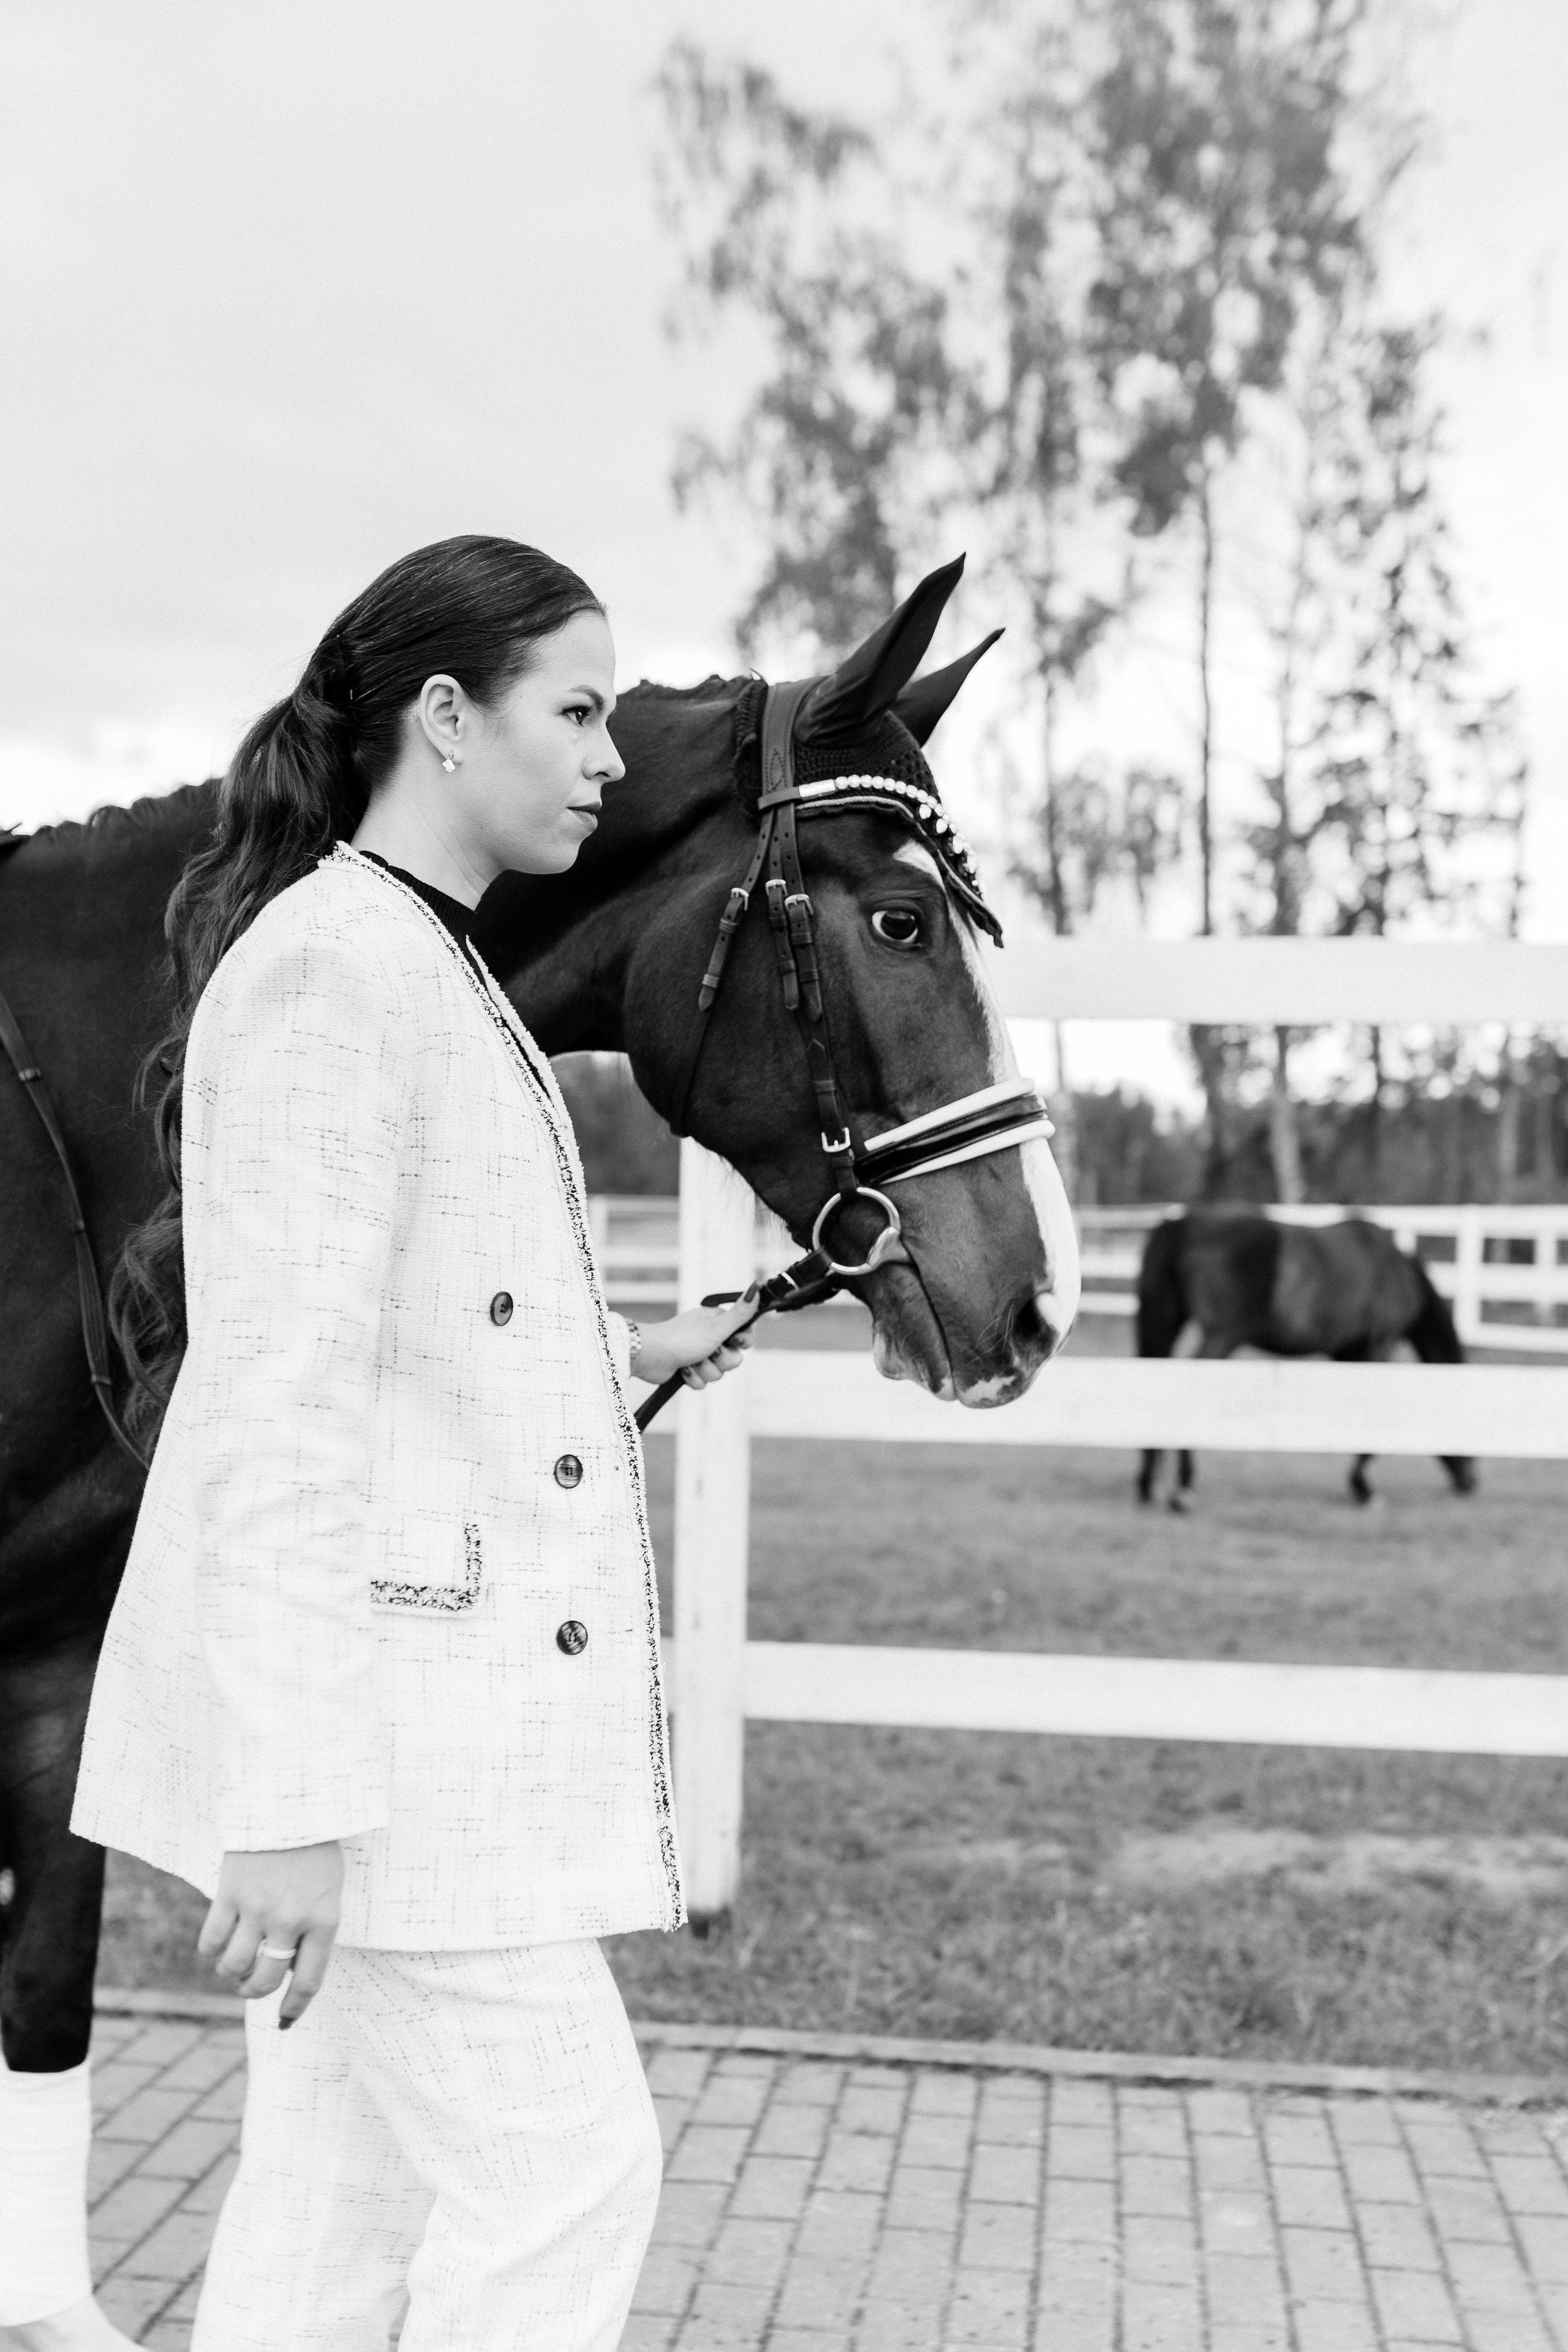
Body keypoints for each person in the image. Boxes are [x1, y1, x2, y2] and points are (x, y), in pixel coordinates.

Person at [62, 536, 754, 2352]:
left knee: (330, 2226)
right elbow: (282, 1408)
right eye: (578, 710)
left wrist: (640, 1351)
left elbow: (428, 1337)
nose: (610, 757)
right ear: (446, 720)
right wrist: (287, 1810)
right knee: (565, 2175)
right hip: (379, 1762)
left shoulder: (413, 964)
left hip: (390, 1742)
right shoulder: (332, 976)